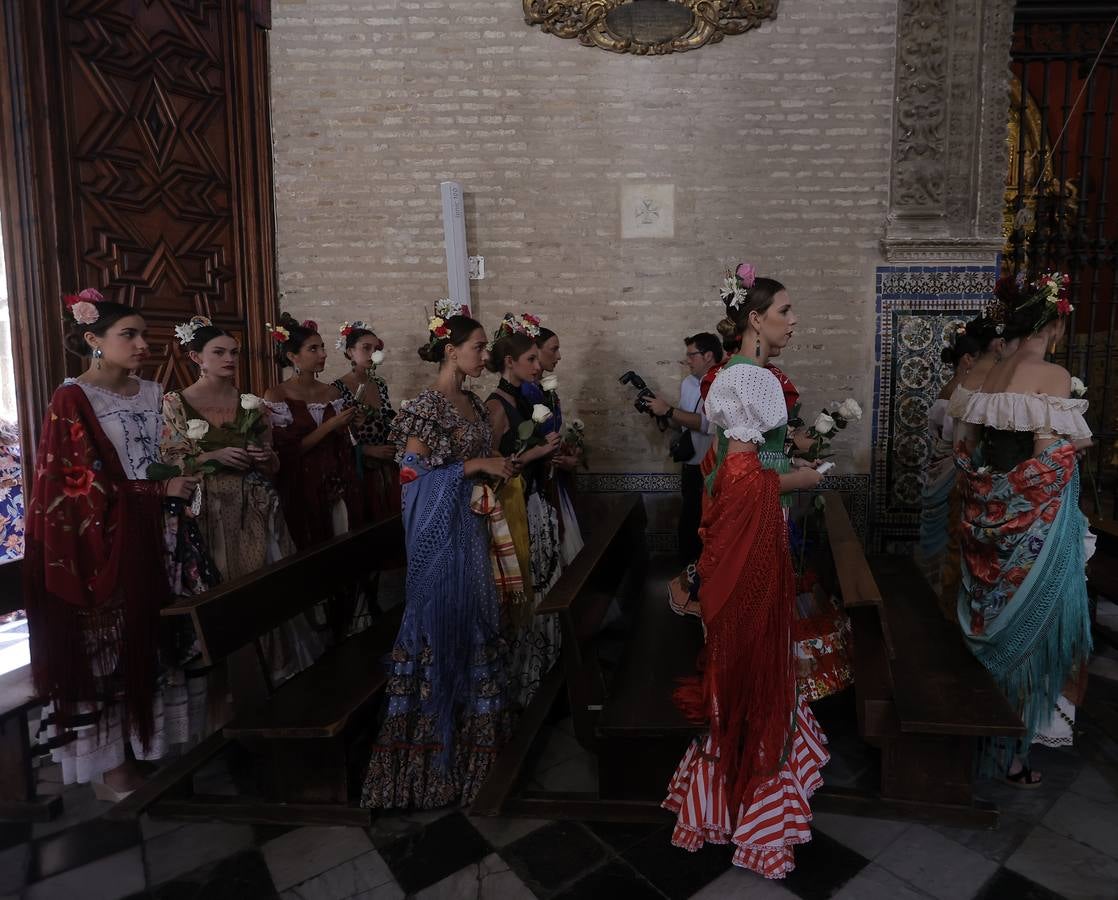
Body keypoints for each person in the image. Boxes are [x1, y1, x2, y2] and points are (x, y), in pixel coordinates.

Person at [663, 271, 828, 880]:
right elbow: (738, 477)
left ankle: (730, 795)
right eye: (785, 310)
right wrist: (800, 480)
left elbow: (738, 464)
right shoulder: (750, 378)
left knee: (743, 653)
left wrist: (789, 461)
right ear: (755, 319)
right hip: (750, 536)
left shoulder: (734, 377)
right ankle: (753, 799)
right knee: (751, 651)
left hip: (752, 529)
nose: (793, 320)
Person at [24, 292, 209, 800]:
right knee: (110, 651)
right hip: (103, 543)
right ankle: (112, 767)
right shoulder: (73, 399)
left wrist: (187, 475)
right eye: (128, 334)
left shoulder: (154, 393)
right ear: (93, 341)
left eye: (143, 334)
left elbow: (173, 454)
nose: (142, 344)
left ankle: (151, 745)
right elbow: (74, 483)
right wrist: (155, 492)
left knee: (157, 643)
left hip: (161, 536)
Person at [362, 307, 517, 809]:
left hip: (471, 537)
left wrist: (494, 469)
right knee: (440, 631)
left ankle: (479, 764)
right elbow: (410, 481)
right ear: (450, 350)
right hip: (439, 546)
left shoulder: (472, 402)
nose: (485, 355)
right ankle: (430, 769)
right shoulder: (425, 408)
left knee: (477, 628)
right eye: (478, 346)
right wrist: (473, 465)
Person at [955, 272, 1093, 787]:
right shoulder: (1052, 376)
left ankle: (979, 738)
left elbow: (965, 452)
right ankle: (1012, 755)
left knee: (989, 623)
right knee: (1027, 634)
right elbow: (1041, 469)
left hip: (982, 524)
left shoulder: (986, 371)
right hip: (1028, 533)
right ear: (1053, 323)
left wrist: (988, 493)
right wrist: (1073, 448)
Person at [163, 318, 314, 684]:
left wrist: (265, 459)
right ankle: (230, 686)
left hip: (255, 506)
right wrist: (210, 458)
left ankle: (274, 677)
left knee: (264, 592)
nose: (230, 358)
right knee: (221, 591)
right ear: (197, 357)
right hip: (208, 511)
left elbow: (274, 461)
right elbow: (168, 462)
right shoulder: (176, 403)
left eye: (234, 352)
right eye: (219, 352)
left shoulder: (252, 403)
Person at [486, 314, 563, 707]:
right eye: (530, 359)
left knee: (544, 581)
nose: (538, 366)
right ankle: (520, 681)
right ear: (508, 363)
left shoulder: (524, 399)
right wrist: (534, 452)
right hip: (512, 507)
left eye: (538, 359)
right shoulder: (497, 405)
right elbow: (491, 472)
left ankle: (543, 671)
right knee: (524, 591)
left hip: (533, 499)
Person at [938, 310, 1022, 615]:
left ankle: (952, 610)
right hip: (977, 475)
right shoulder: (991, 382)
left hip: (964, 472)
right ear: (999, 344)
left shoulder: (971, 379)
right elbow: (973, 439)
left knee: (961, 552)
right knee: (972, 555)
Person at [263, 313, 364, 551]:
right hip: (299, 485)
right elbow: (287, 452)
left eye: (323, 347)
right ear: (292, 356)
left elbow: (344, 443)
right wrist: (331, 425)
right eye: (313, 349)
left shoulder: (331, 393)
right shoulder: (276, 396)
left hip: (336, 480)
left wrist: (352, 424)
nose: (323, 354)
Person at [915, 328, 980, 601]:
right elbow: (953, 438)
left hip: (942, 463)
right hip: (949, 466)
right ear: (966, 359)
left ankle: (940, 585)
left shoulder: (952, 390)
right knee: (948, 529)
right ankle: (944, 589)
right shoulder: (958, 393)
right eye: (979, 358)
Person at [647, 333, 723, 563]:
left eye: (692, 355)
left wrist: (669, 410)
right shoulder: (688, 384)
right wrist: (659, 412)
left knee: (709, 525)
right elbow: (683, 421)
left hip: (713, 467)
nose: (687, 360)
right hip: (691, 465)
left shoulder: (721, 382)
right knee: (689, 522)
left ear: (708, 355)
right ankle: (686, 577)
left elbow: (707, 424)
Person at [332, 321, 400, 524]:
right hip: (359, 469)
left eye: (376, 348)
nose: (372, 353)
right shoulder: (337, 388)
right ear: (350, 351)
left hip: (387, 465)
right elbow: (337, 435)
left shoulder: (379, 384)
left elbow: (388, 419)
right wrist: (367, 450)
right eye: (365, 348)